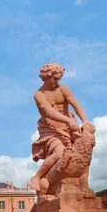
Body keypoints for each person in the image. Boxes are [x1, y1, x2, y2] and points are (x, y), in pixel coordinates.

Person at [30, 62, 94, 197]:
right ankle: (37, 177)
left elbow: (76, 104)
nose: (57, 81)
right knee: (60, 153)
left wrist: (85, 120)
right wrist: (68, 120)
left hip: (69, 128)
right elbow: (47, 112)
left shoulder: (63, 89)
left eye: (59, 78)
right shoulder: (39, 95)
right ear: (47, 76)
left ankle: (84, 185)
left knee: (84, 156)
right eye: (55, 78)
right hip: (51, 130)